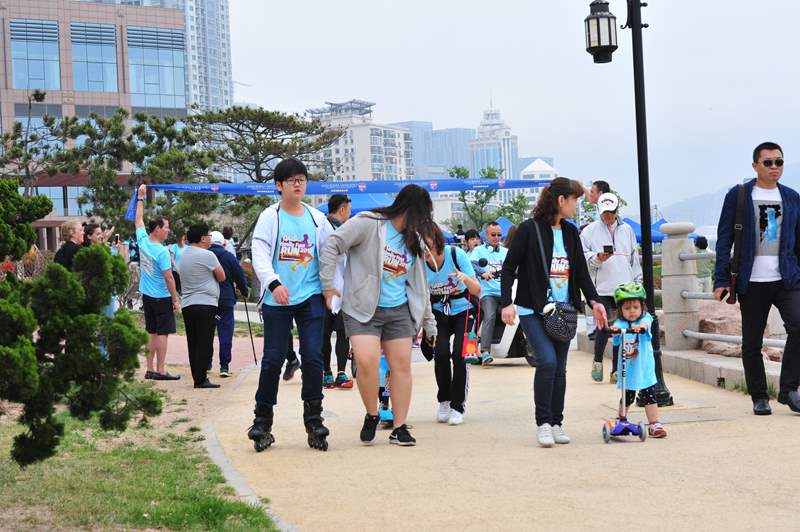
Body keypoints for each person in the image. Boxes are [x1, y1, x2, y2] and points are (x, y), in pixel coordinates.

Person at [320, 184, 438, 447]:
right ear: (409, 210)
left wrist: (429, 323)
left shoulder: (414, 240)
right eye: (423, 215)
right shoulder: (369, 223)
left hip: (399, 310)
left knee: (402, 366)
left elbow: (420, 286)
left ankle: (399, 427)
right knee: (367, 361)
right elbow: (332, 244)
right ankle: (372, 413)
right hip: (362, 308)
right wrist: (328, 285)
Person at [500, 177, 607, 448]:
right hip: (533, 309)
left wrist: (594, 301)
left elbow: (581, 272)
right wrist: (506, 303)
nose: (576, 205)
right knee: (547, 362)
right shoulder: (529, 229)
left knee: (559, 368)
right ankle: (543, 424)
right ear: (561, 200)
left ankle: (557, 423)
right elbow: (509, 267)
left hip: (564, 310)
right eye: (575, 200)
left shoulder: (571, 232)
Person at [248, 157, 334, 452]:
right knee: (272, 358)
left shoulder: (317, 219)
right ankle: (262, 422)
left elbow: (331, 252)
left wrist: (331, 288)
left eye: (302, 179)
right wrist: (273, 283)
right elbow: (259, 253)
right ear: (278, 185)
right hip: (278, 300)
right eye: (291, 180)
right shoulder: (270, 217)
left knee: (313, 356)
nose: (298, 184)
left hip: (310, 297)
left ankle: (314, 420)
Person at [714, 141, 800, 416]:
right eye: (768, 162)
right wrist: (720, 279)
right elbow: (724, 238)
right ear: (755, 165)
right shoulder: (739, 195)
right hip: (751, 280)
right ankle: (759, 396)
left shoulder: (792, 197)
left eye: (779, 162)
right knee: (752, 342)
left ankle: (789, 390)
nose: (775, 167)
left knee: (798, 325)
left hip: (786, 278)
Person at [580, 192, 642, 383]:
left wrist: (638, 282)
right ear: (599, 210)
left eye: (611, 211)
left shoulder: (627, 230)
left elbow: (634, 258)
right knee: (603, 325)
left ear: (617, 210)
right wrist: (597, 258)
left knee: (620, 327)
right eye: (605, 212)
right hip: (601, 287)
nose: (608, 216)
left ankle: (616, 368)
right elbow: (582, 257)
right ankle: (598, 360)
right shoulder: (589, 231)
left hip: (625, 287)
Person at [425, 226, 481, 425]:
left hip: (464, 309)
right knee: (440, 354)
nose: (424, 252)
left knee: (460, 354)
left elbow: (477, 289)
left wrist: (465, 279)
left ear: (438, 244)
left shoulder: (456, 255)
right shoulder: (420, 263)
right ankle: (445, 400)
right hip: (438, 311)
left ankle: (458, 406)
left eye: (427, 247)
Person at [134, 184, 181, 381]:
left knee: (151, 331)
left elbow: (138, 219)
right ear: (158, 229)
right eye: (166, 227)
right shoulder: (161, 251)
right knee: (162, 333)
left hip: (147, 295)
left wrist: (140, 197)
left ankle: (149, 368)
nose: (168, 230)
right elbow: (169, 277)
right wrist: (175, 300)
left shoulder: (143, 241)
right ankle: (161, 370)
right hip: (161, 297)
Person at [610, 282, 667, 438]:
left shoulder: (646, 318)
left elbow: (646, 323)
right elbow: (615, 332)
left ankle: (654, 423)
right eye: (627, 308)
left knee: (649, 395)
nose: (632, 311)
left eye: (635, 307)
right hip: (628, 369)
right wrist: (614, 331)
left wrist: (641, 327)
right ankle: (620, 418)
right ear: (621, 310)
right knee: (627, 396)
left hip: (644, 366)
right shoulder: (621, 323)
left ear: (642, 306)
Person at [179, 223, 226, 389]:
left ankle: (197, 377)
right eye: (209, 236)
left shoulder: (183, 254)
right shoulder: (208, 255)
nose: (210, 239)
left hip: (188, 304)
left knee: (193, 342)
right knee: (205, 342)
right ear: (202, 238)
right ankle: (201, 379)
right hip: (206, 304)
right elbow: (222, 276)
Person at [322, 194, 353, 389]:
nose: (349, 213)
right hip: (325, 288)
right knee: (327, 333)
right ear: (342, 209)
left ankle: (339, 372)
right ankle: (328, 372)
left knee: (341, 332)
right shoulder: (323, 228)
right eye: (348, 210)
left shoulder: (345, 229)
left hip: (341, 288)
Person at [209, 230, 249, 377]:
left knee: (207, 332)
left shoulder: (205, 255)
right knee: (225, 333)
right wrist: (244, 291)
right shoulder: (229, 257)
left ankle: (206, 363)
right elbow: (239, 275)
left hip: (208, 299)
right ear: (224, 243)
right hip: (226, 299)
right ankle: (224, 366)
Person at [469, 221, 507, 366]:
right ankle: (485, 352)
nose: (496, 237)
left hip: (506, 293)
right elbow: (471, 264)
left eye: (499, 235)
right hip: (488, 293)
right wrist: (482, 272)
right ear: (486, 235)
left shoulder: (506, 251)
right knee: (490, 315)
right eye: (493, 235)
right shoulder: (478, 251)